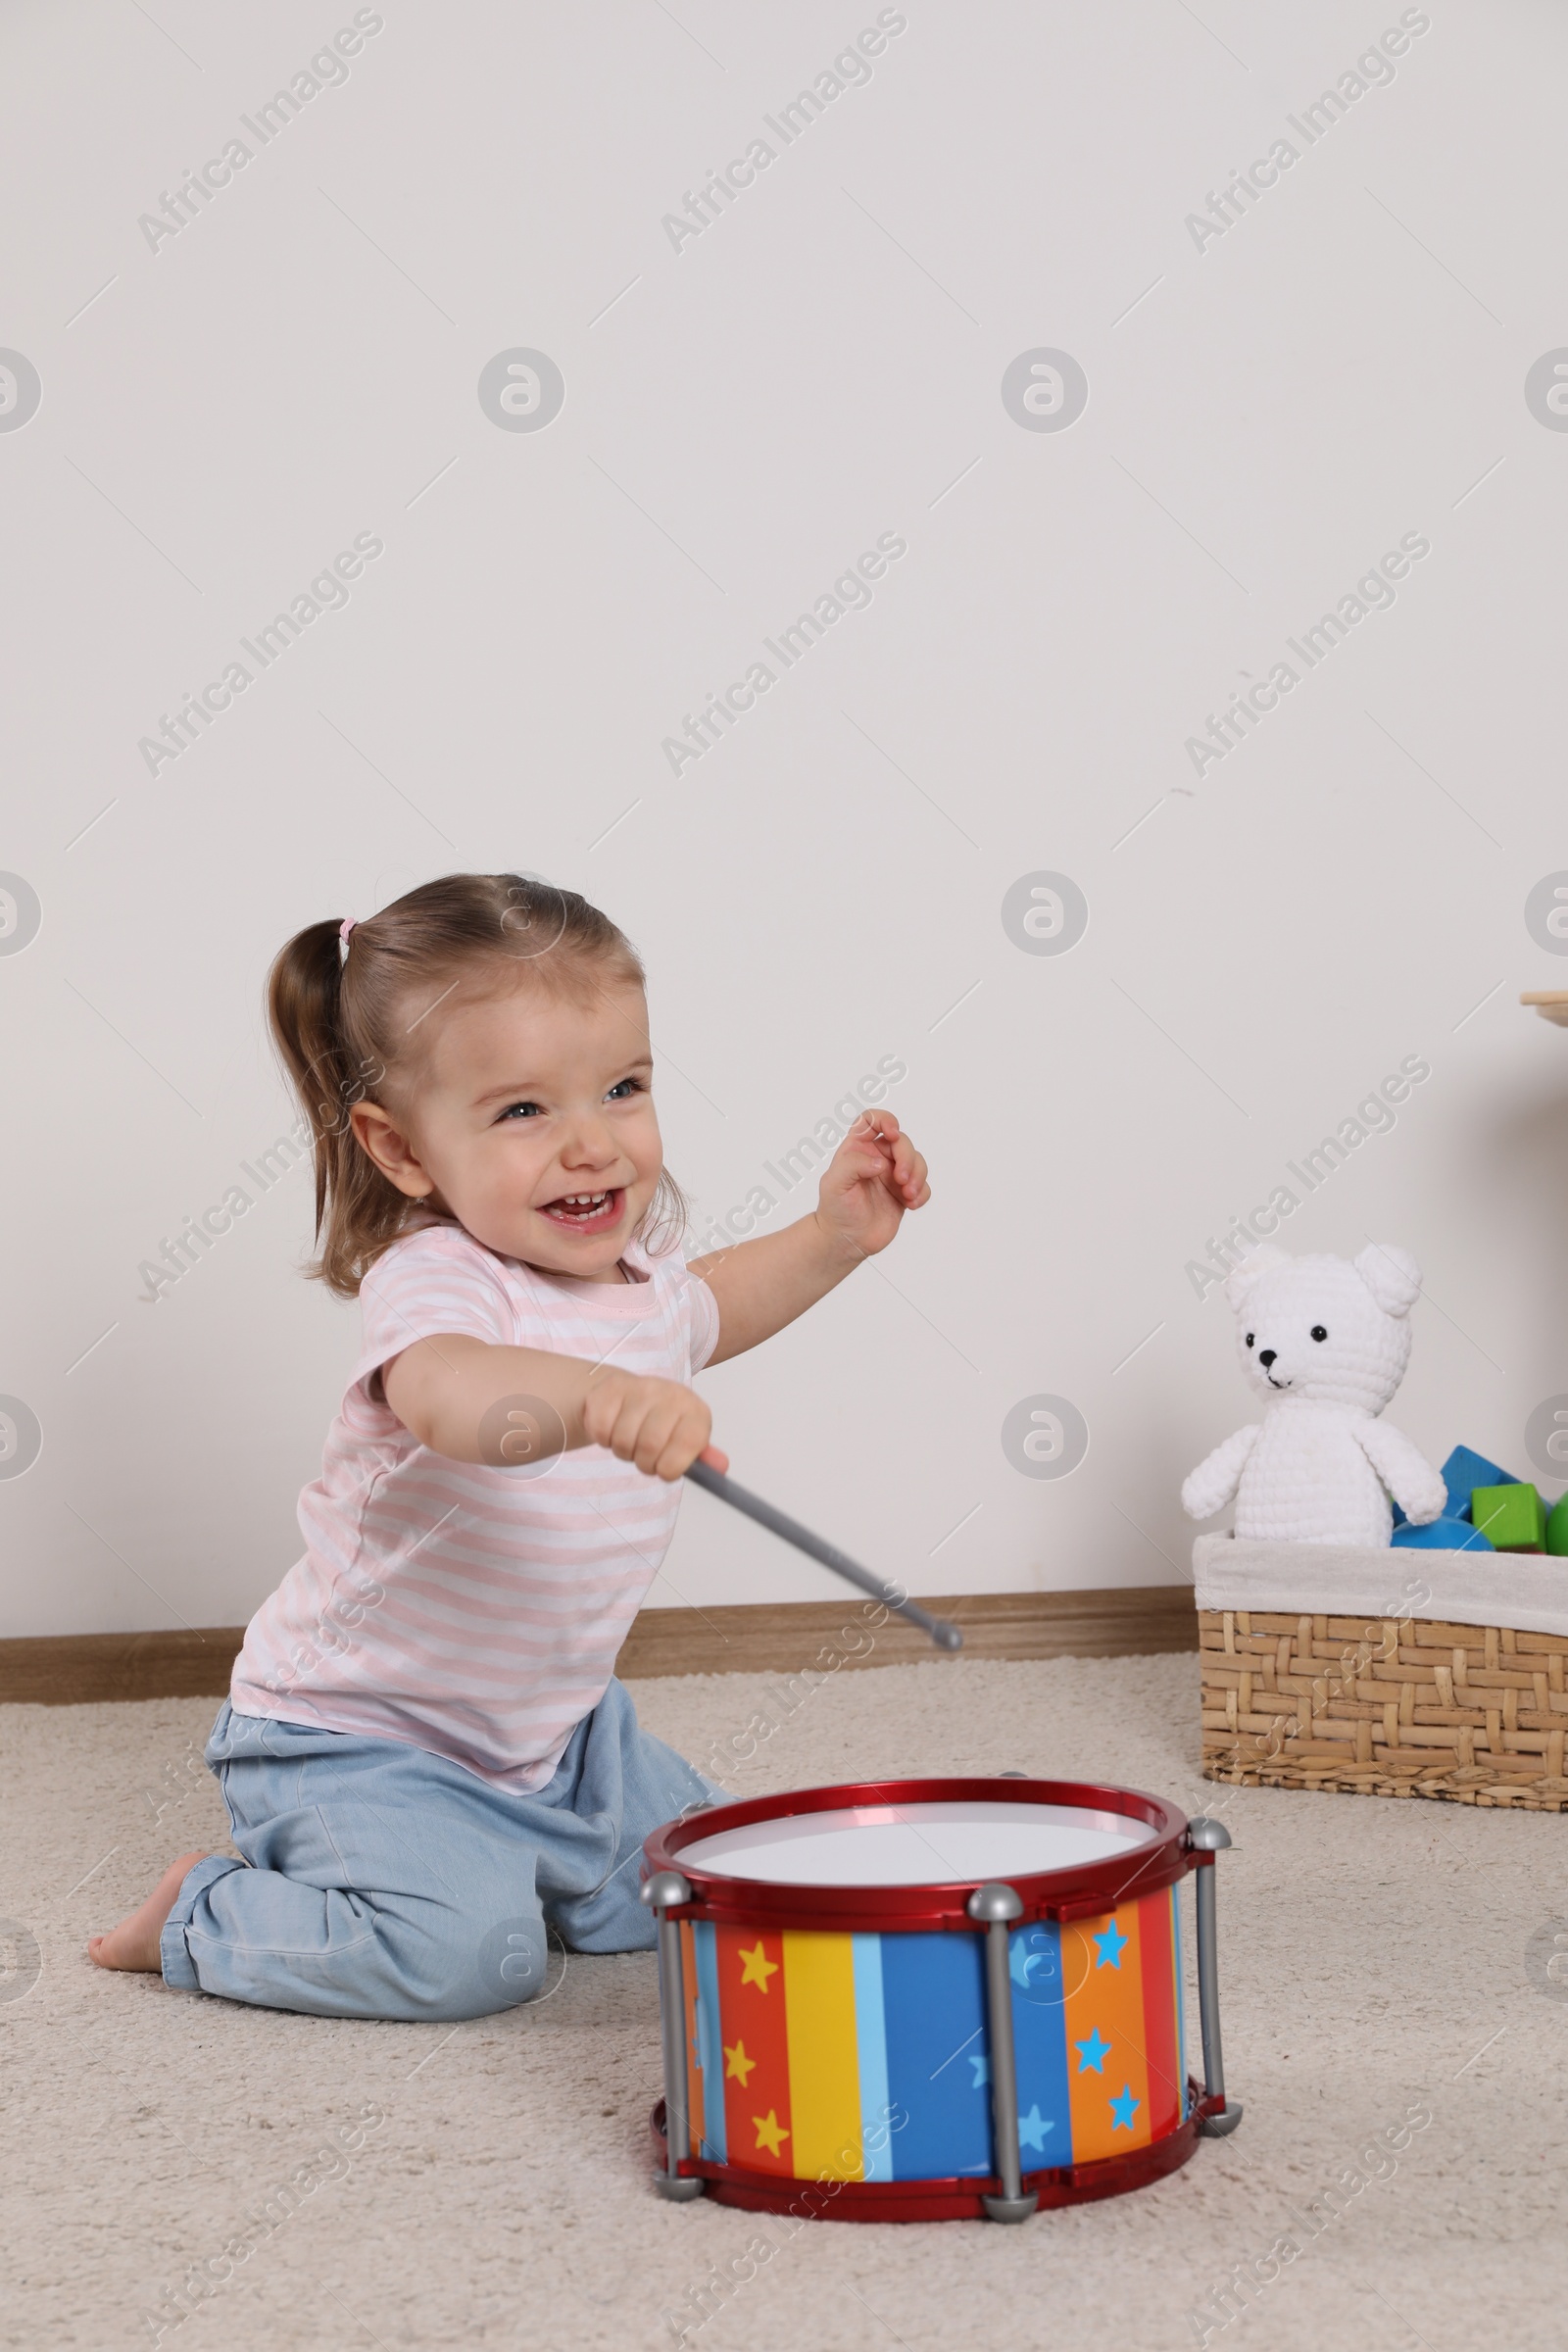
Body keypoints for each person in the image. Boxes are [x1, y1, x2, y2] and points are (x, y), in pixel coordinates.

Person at [88, 873, 929, 2019]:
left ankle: (516, 1856)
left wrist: (834, 1236)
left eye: (622, 1088)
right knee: (470, 1962)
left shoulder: (635, 1289)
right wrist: (592, 1400)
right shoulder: (436, 1282)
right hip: (355, 1742)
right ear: (403, 1150)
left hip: (560, 1735)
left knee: (718, 1885)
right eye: (523, 1111)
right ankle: (205, 1912)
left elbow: (719, 1301)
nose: (592, 1144)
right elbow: (451, 1398)